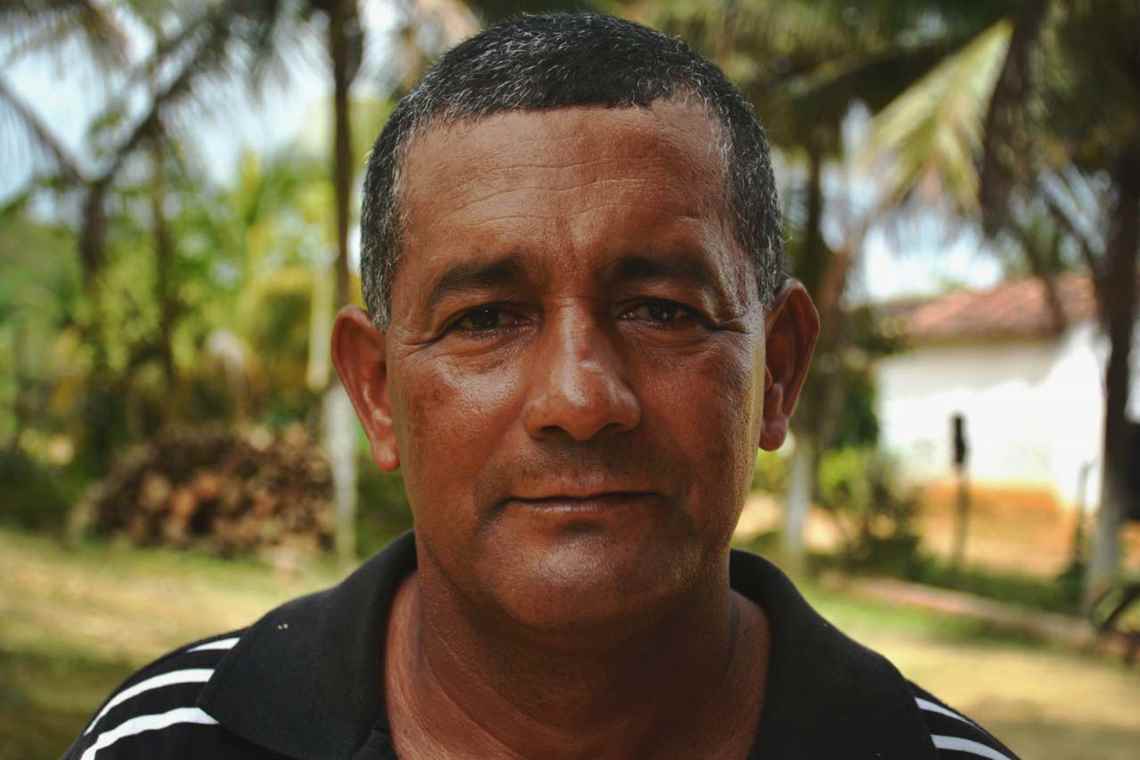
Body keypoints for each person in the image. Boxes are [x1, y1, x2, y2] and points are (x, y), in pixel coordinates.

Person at [64, 13, 1019, 760]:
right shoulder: (165, 746)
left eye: (661, 310)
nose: (580, 400)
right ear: (377, 391)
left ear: (778, 370)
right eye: (486, 318)